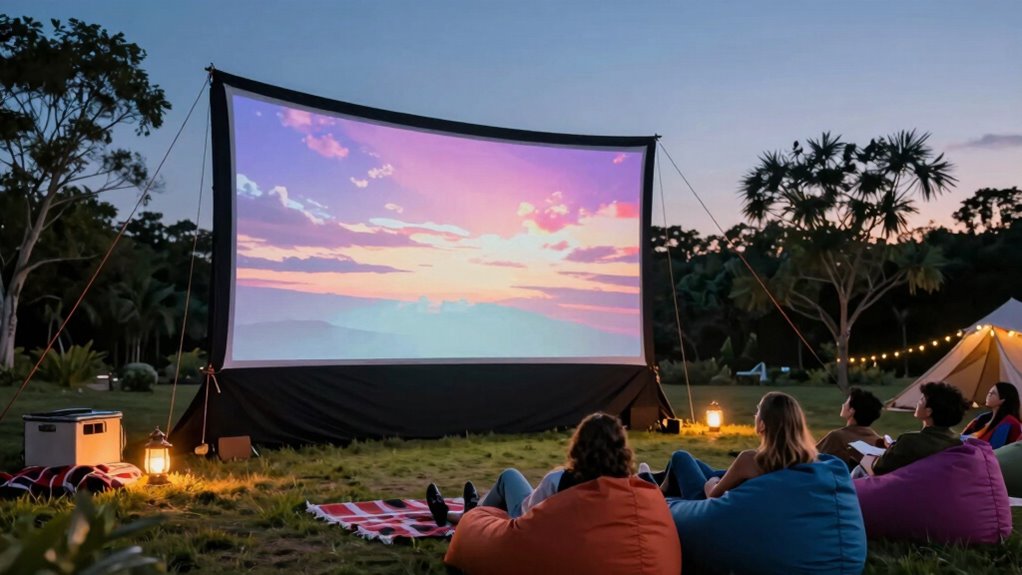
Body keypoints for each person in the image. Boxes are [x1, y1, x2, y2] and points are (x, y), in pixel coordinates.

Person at [424, 412, 635, 525]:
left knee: (509, 476)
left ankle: (466, 516)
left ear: (579, 445)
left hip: (531, 528)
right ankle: (475, 507)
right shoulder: (629, 487)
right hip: (582, 535)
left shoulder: (559, 480)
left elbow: (527, 512)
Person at [658, 391, 818, 500]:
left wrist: (712, 481)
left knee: (680, 458)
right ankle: (657, 483)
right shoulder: (807, 460)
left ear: (762, 425)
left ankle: (656, 491)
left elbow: (712, 495)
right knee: (698, 465)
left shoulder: (750, 460)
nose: (755, 416)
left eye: (757, 412)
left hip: (710, 509)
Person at [866, 381, 968, 476]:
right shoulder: (958, 441)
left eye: (921, 399)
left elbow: (878, 467)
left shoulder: (909, 442)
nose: (917, 402)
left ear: (929, 411)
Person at [816, 387, 885, 469]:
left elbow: (812, 460)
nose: (843, 405)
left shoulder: (837, 437)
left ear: (851, 411)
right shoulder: (880, 441)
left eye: (846, 402)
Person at [962, 382, 1022, 448]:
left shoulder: (1009, 422)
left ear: (1003, 399)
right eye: (989, 392)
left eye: (992, 393)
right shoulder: (983, 417)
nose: (988, 395)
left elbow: (994, 448)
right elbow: (963, 434)